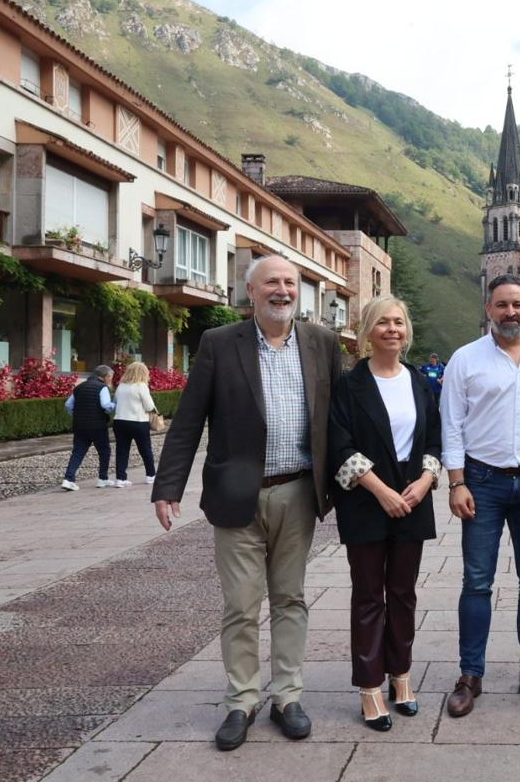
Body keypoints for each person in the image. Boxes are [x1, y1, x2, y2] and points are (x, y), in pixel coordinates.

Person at [152, 254, 343, 751]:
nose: (282, 291)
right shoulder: (220, 343)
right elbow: (189, 418)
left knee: (290, 598)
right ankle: (241, 700)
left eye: (289, 283)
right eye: (271, 283)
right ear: (251, 293)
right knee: (241, 604)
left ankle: (288, 697)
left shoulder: (322, 343)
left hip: (300, 491)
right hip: (236, 494)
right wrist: (168, 485)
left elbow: (339, 419)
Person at [440, 274, 520, 717]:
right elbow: (451, 424)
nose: (510, 312)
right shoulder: (465, 359)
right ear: (488, 309)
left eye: (517, 304)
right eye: (501, 305)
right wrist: (456, 483)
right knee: (477, 582)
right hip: (483, 483)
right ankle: (470, 673)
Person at [328, 295, 441, 731]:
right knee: (369, 596)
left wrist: (426, 481)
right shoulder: (349, 385)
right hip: (366, 505)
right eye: (383, 323)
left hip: (413, 502)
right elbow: (339, 444)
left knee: (404, 593)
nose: (392, 329)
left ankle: (401, 676)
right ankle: (370, 686)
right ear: (368, 333)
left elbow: (434, 438)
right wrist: (381, 491)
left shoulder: (418, 381)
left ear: (406, 331)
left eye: (398, 322)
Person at [61, 364, 116, 491]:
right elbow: (105, 405)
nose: (111, 380)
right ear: (106, 376)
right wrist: (115, 406)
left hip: (80, 425)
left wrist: (78, 414)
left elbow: (68, 405)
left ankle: (68, 479)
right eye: (110, 377)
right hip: (98, 425)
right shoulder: (103, 388)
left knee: (78, 452)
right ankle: (102, 479)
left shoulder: (79, 387)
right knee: (104, 451)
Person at [112, 361, 158, 488]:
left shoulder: (121, 386)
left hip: (120, 421)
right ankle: (151, 475)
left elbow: (115, 402)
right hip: (138, 421)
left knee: (122, 450)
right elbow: (149, 406)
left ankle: (120, 478)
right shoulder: (141, 386)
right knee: (145, 449)